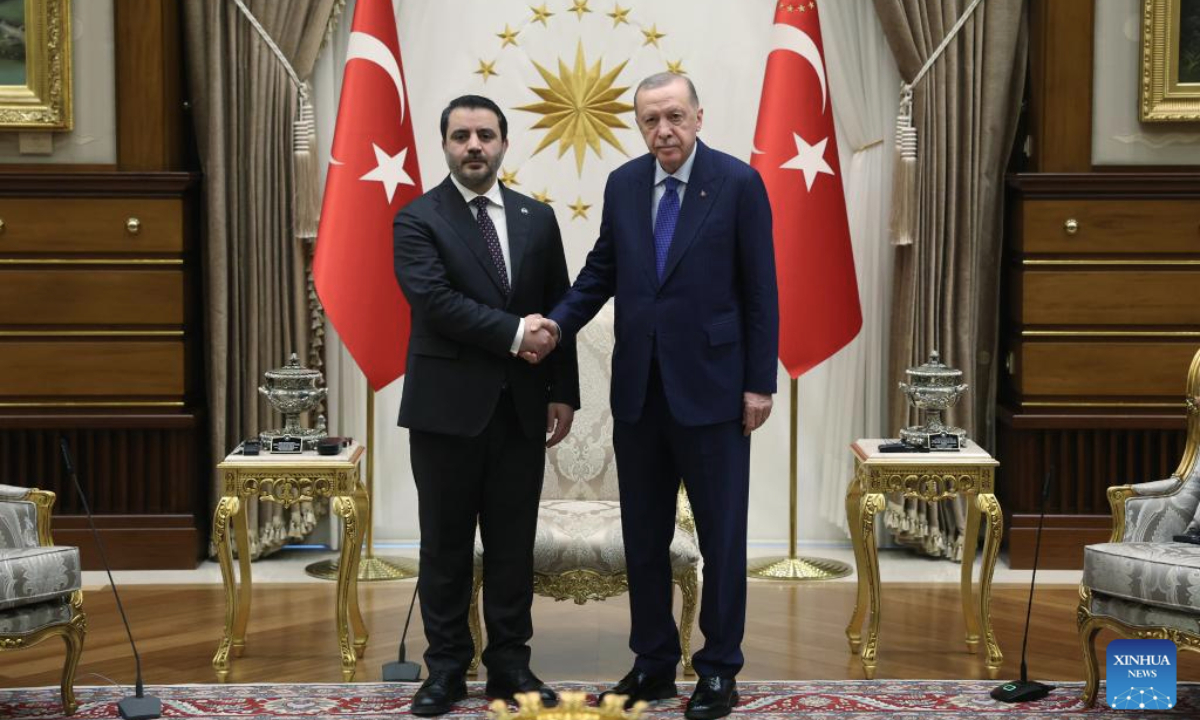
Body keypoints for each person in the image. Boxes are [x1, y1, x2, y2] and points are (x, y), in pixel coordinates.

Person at [531, 73, 779, 720]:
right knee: (645, 536)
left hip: (717, 391)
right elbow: (602, 272)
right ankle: (654, 664)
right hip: (639, 390)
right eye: (650, 120)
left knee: (722, 537)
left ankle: (719, 669)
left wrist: (760, 382)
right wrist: (557, 324)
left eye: (673, 116)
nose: (662, 130)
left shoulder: (738, 184)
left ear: (698, 116)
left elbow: (761, 292)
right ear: (639, 126)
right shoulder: (623, 184)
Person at [393, 94, 579, 716]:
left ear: (504, 143)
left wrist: (564, 391)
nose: (474, 146)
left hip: (523, 411)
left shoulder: (538, 218)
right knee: (443, 546)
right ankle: (445, 669)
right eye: (461, 136)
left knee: (510, 547)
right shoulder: (417, 218)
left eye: (486, 135)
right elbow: (435, 302)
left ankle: (510, 668)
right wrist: (514, 334)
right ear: (444, 145)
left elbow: (561, 308)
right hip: (446, 412)